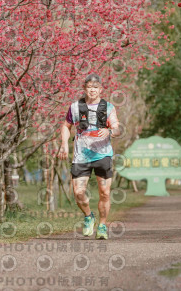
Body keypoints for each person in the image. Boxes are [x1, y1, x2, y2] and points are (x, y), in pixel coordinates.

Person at [59, 74, 121, 240]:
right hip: (81, 156)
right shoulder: (75, 107)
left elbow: (117, 128)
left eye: (95, 87)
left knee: (105, 193)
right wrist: (64, 144)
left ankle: (102, 225)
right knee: (78, 192)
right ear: (84, 89)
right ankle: (88, 216)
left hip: (103, 155)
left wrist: (109, 131)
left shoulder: (108, 107)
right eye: (89, 87)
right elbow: (66, 126)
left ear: (100, 89)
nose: (92, 90)